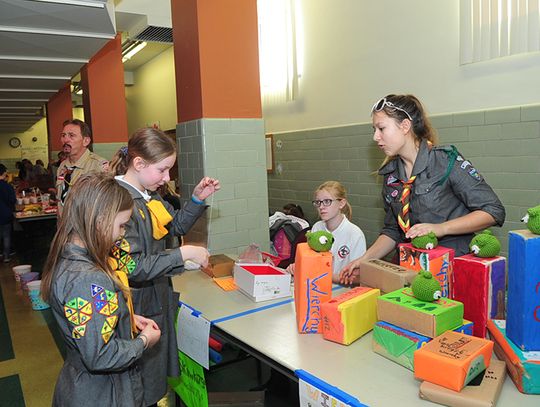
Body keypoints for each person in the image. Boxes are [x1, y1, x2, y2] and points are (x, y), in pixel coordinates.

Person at [340, 94, 505, 284]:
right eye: (374, 129)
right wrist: (365, 259)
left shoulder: (445, 162)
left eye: (381, 128)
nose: (375, 137)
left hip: (451, 269)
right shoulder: (391, 177)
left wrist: (440, 228)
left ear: (404, 126)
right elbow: (393, 231)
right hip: (412, 268)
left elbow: (493, 211)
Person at [109, 128, 220, 406]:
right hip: (137, 304)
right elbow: (131, 266)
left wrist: (195, 199)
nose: (167, 178)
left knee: (155, 375)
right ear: (138, 164)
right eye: (163, 170)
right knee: (141, 380)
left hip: (156, 295)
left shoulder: (149, 196)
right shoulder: (120, 202)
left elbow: (176, 226)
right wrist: (181, 254)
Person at [41, 173, 161, 406]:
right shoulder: (90, 280)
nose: (123, 234)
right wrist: (144, 341)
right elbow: (100, 355)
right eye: (122, 225)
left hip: (81, 387)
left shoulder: (68, 259)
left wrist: (121, 317)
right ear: (100, 220)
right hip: (103, 394)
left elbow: (84, 323)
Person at [286, 181, 366, 282]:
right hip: (317, 285)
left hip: (343, 290)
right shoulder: (317, 227)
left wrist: (325, 276)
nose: (321, 207)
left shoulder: (355, 234)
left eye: (327, 201)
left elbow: (357, 278)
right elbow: (311, 261)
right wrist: (297, 267)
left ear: (341, 203)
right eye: (318, 202)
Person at [56, 119, 108, 215]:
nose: (65, 140)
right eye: (63, 135)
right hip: (64, 226)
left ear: (86, 141)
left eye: (71, 135)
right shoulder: (63, 166)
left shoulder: (98, 166)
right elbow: (60, 200)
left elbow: (106, 204)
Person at [0, 164, 16, 263]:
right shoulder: (7, 186)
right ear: (4, 173)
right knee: (6, 235)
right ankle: (6, 256)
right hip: (5, 213)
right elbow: (12, 200)